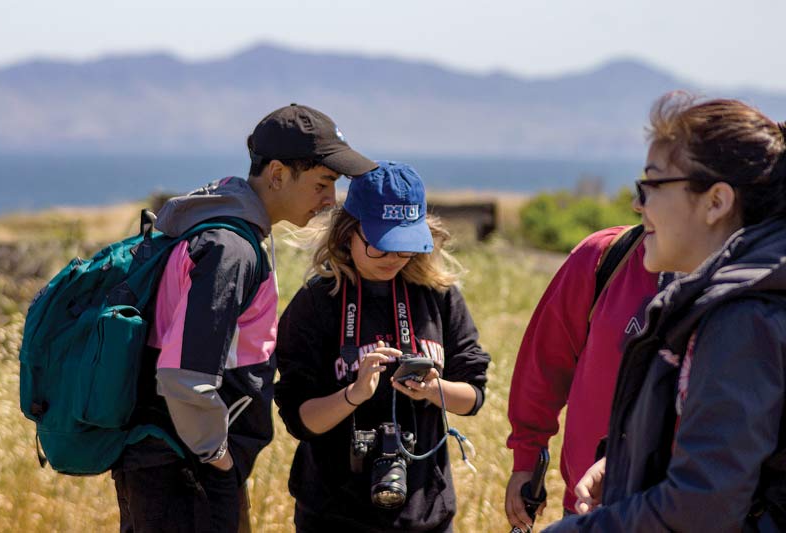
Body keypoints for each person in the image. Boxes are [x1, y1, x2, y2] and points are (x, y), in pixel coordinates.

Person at [112, 103, 377, 533]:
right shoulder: (230, 249)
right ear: (276, 174)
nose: (331, 200)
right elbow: (184, 374)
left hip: (176, 463)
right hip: (187, 470)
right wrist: (219, 460)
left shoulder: (225, 231)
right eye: (323, 183)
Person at [543, 93, 786, 532]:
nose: (639, 204)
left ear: (716, 202)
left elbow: (703, 507)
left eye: (652, 184)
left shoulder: (743, 318)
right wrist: (628, 467)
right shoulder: (737, 299)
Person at [274, 161, 491, 532]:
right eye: (381, 246)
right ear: (347, 233)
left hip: (427, 514)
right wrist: (354, 395)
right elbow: (299, 418)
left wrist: (434, 390)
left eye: (405, 247)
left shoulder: (437, 295)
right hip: (333, 514)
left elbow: (474, 395)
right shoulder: (317, 302)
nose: (393, 258)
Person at [504, 224, 659, 530]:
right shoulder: (605, 255)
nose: (640, 203)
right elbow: (544, 365)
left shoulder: (737, 276)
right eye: (644, 188)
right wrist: (526, 462)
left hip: (690, 511)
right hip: (588, 506)